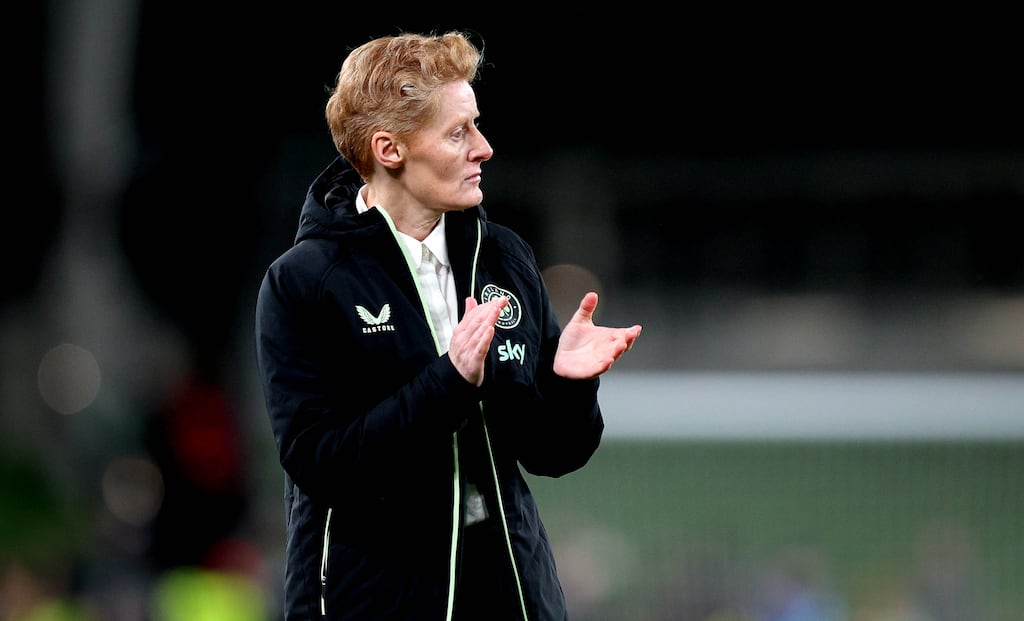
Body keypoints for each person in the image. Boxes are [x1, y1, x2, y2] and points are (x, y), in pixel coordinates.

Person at [254, 30, 642, 621]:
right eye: (458, 132)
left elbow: (551, 452)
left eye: (477, 125)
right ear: (390, 150)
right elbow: (322, 465)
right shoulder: (303, 282)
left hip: (514, 592)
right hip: (371, 601)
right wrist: (451, 381)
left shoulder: (503, 256)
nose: (483, 147)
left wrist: (569, 384)